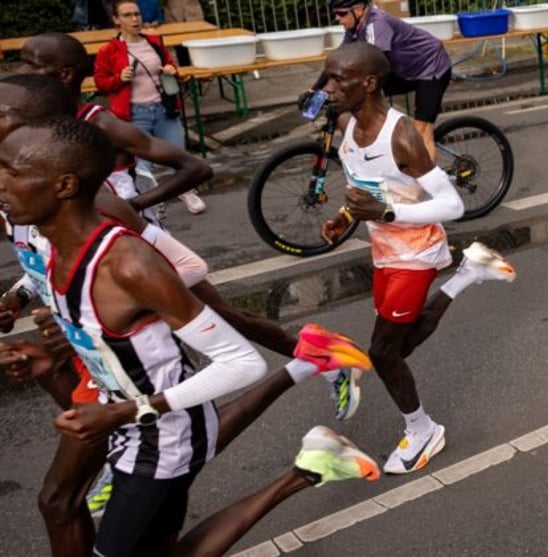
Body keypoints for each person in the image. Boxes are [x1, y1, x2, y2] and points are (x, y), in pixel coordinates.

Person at [0, 73, 371, 557]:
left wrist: (124, 410)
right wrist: (43, 354)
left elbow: (241, 363)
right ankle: (312, 465)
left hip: (157, 437)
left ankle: (309, 458)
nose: (0, 182)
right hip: (128, 422)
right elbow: (96, 328)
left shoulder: (128, 263)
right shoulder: (49, 242)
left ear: (65, 184)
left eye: (10, 171)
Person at [319, 42, 516, 474]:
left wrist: (390, 213)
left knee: (384, 351)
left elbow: (452, 206)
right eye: (327, 78)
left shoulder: (402, 136)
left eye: (338, 79)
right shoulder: (348, 127)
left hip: (417, 250)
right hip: (385, 250)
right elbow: (366, 191)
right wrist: (344, 215)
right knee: (394, 345)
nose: (328, 88)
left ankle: (423, 430)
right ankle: (467, 275)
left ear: (369, 84)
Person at [94, 1, 207, 215]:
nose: (135, 19)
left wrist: (171, 70)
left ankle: (186, 191)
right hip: (135, 111)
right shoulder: (109, 50)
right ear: (117, 20)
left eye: (137, 14)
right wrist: (119, 78)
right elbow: (101, 83)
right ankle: (152, 202)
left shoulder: (154, 42)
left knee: (178, 154)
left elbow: (171, 65)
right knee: (142, 165)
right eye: (127, 15)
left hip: (163, 107)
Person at [304, 0, 452, 161]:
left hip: (430, 69)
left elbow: (372, 63)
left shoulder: (377, 24)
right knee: (357, 97)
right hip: (404, 70)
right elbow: (339, 61)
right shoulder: (354, 27)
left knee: (421, 132)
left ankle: (427, 182)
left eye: (341, 13)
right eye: (335, 14)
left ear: (359, 10)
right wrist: (314, 89)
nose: (337, 18)